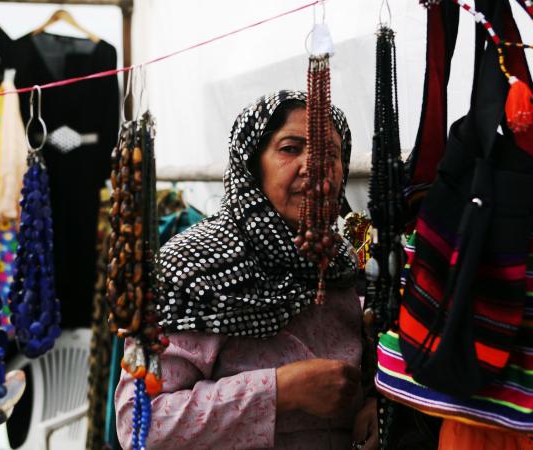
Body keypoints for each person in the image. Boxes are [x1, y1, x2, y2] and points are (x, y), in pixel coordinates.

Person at [115, 90, 378, 449]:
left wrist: (377, 405)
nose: (314, 167)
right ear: (253, 165)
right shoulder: (190, 267)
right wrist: (281, 390)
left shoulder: (342, 263)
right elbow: (140, 423)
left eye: (330, 154)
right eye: (290, 148)